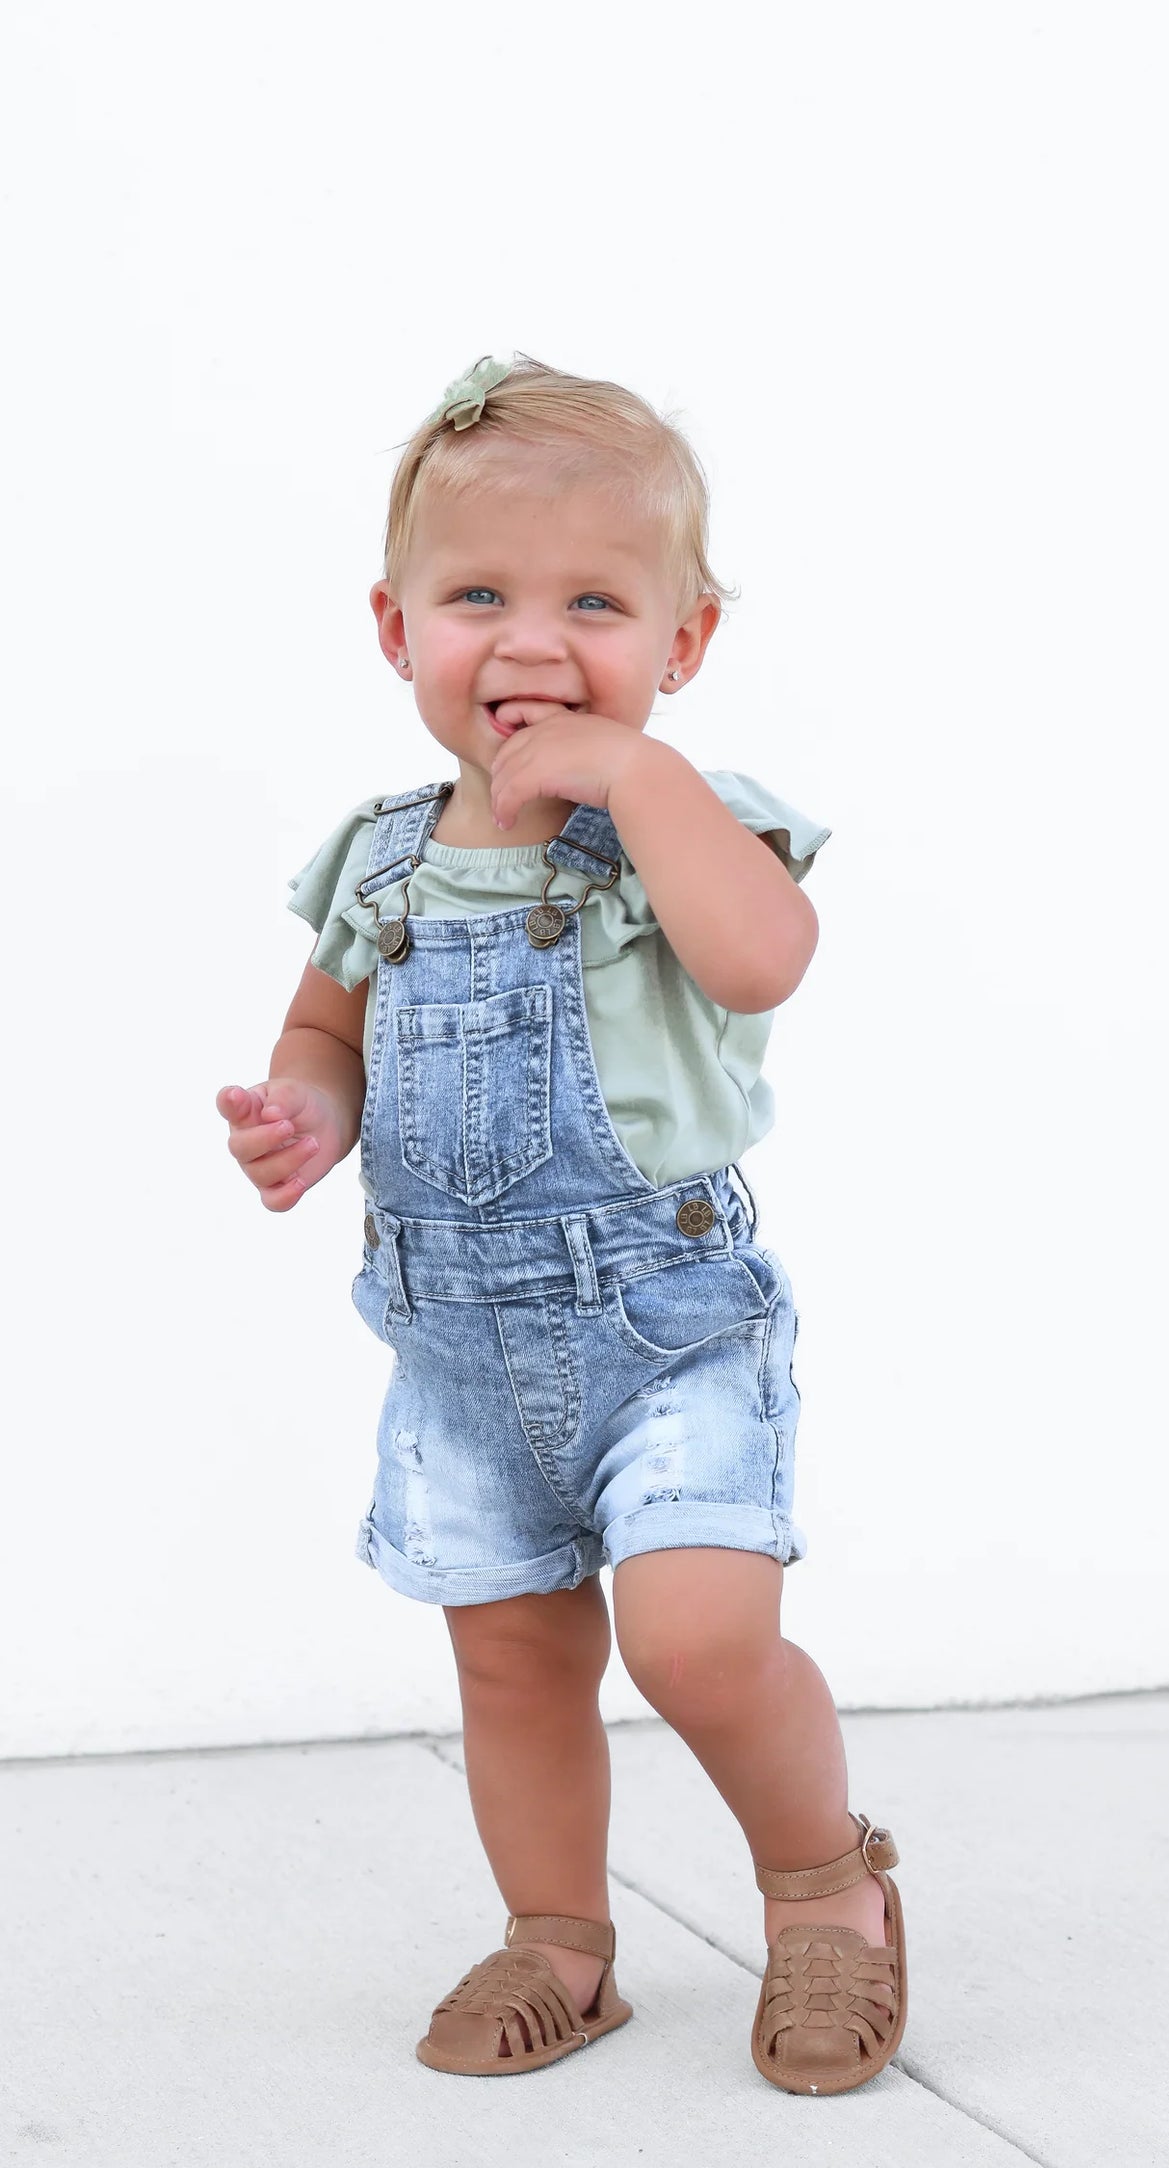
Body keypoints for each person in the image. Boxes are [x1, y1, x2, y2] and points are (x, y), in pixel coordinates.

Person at [215, 354, 906, 2096]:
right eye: (480, 599)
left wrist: (633, 778)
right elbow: (330, 1026)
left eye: (594, 603)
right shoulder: (379, 862)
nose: (531, 644)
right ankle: (559, 1943)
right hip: (453, 1344)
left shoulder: (682, 830)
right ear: (396, 629)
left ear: (684, 645)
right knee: (513, 1658)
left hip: (669, 1325)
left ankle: (828, 1892)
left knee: (693, 1639)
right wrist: (310, 1110)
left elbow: (765, 962)